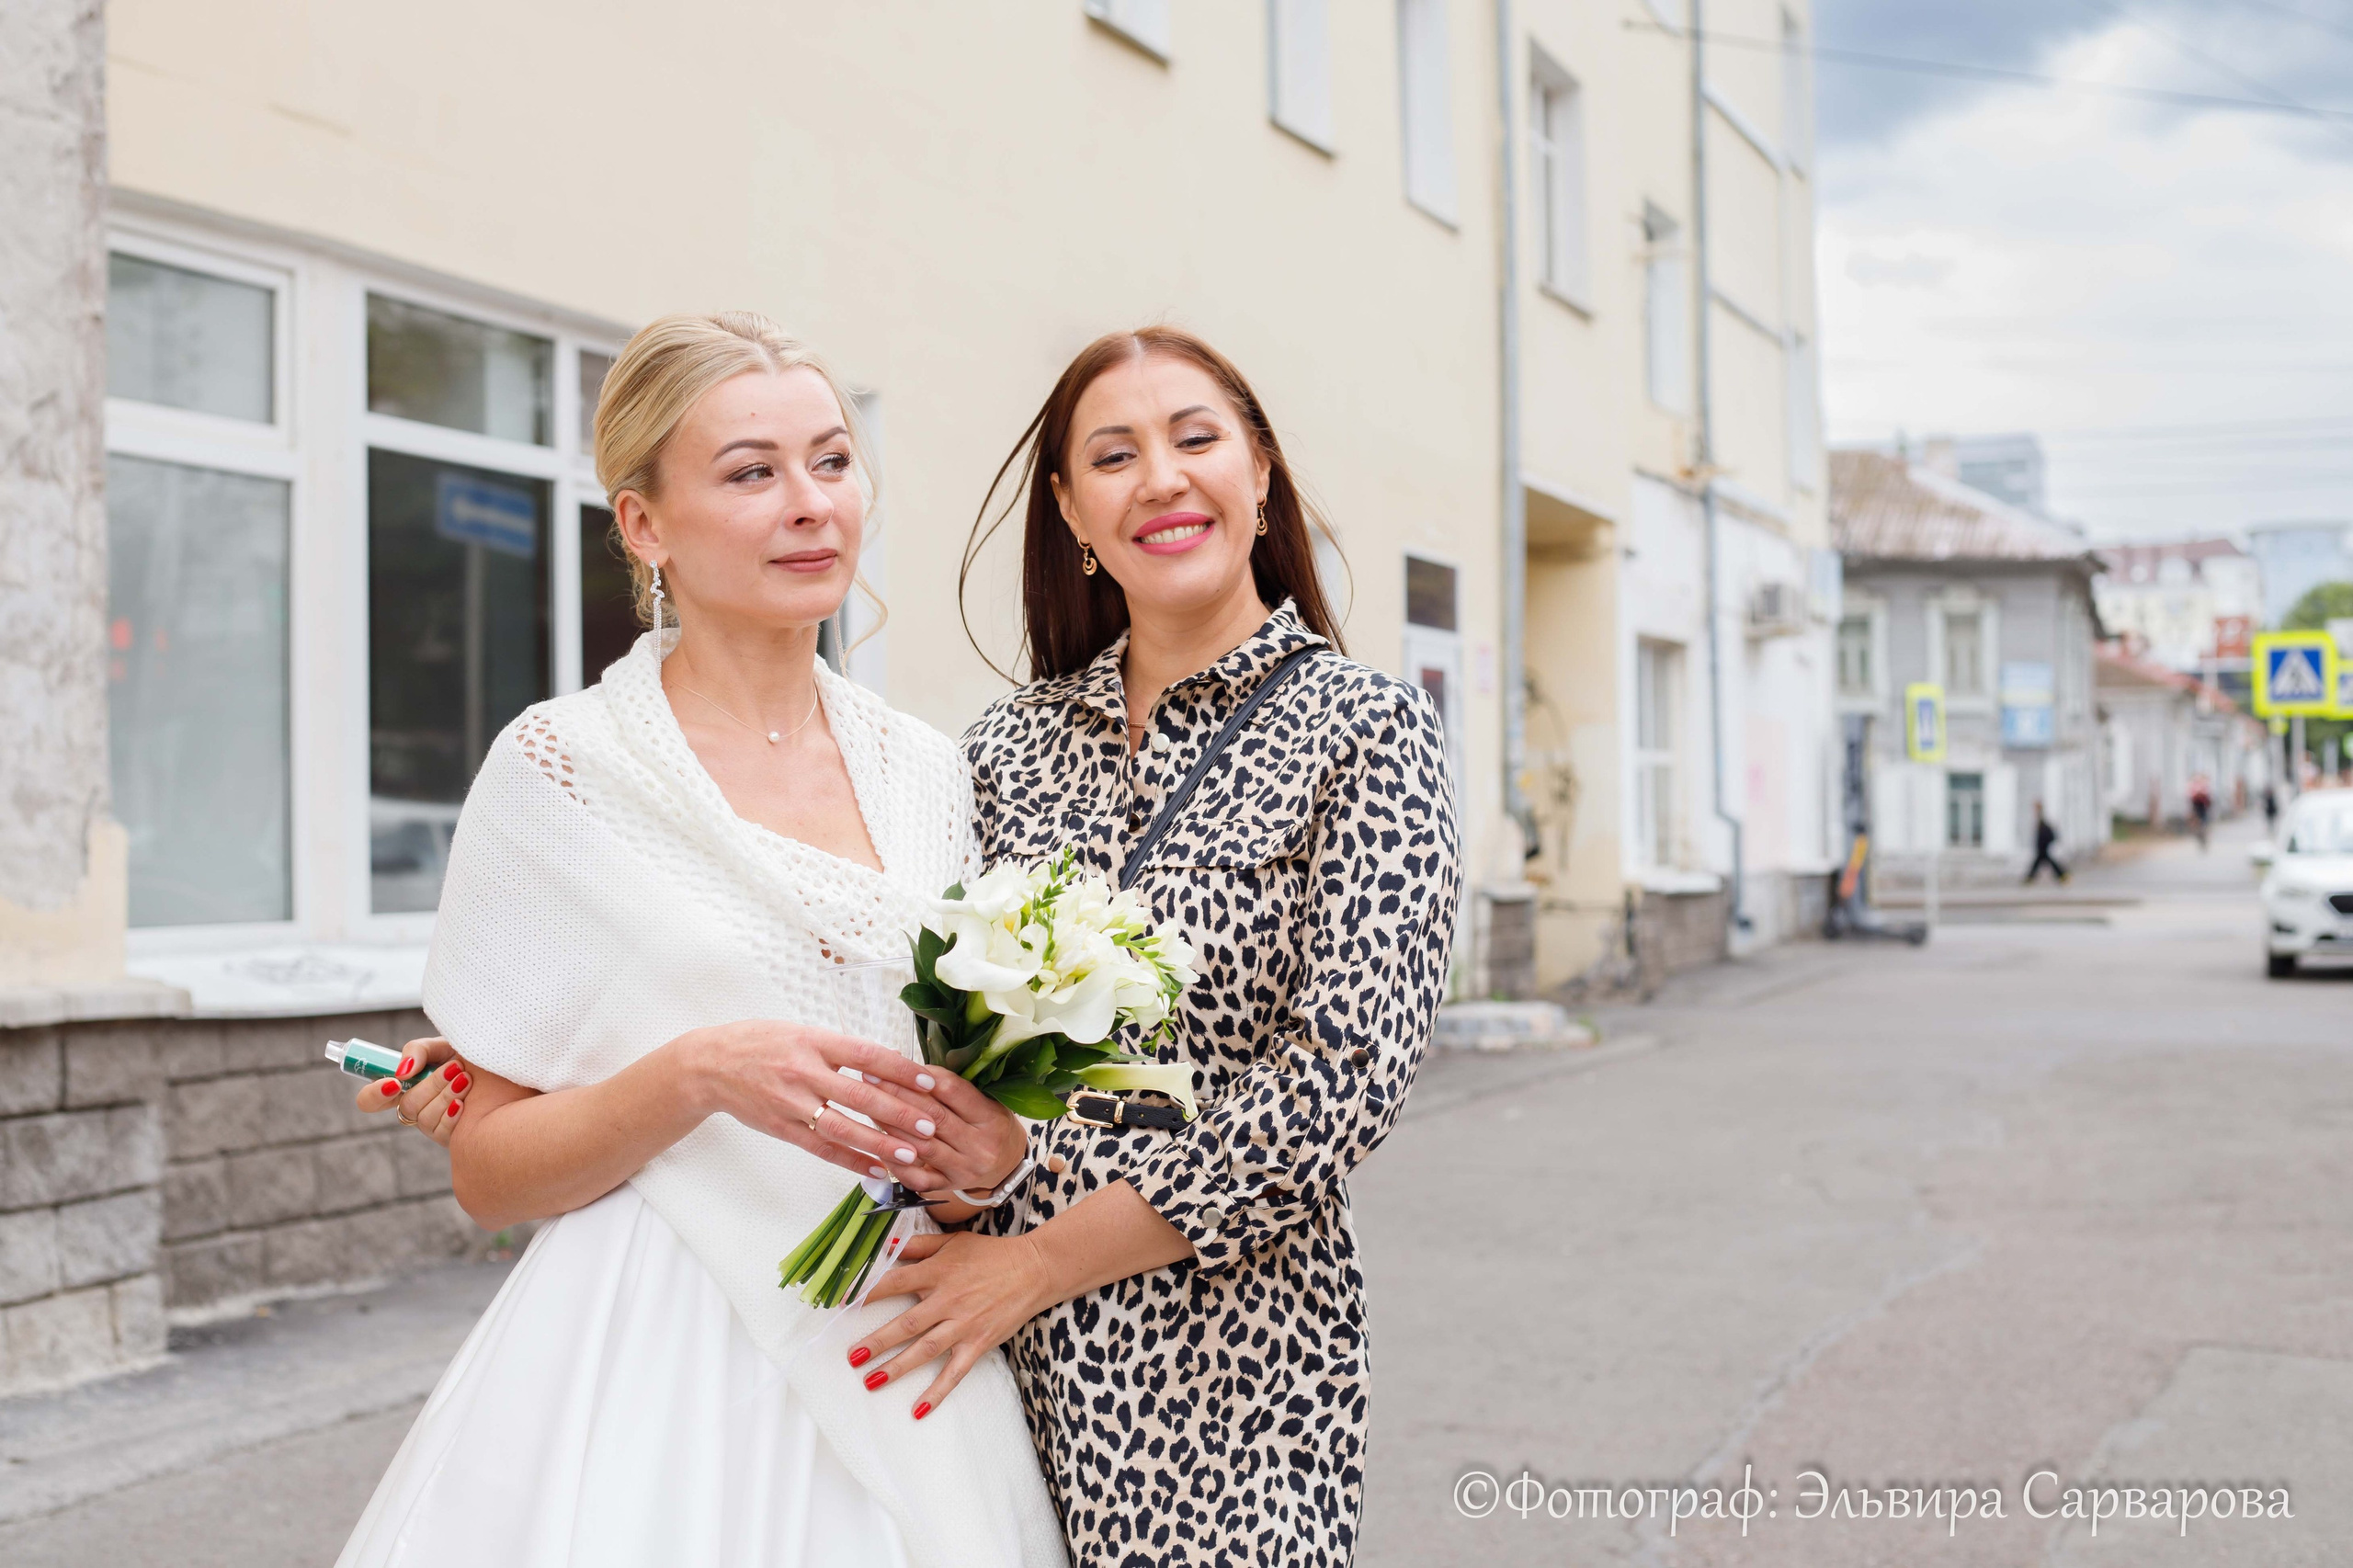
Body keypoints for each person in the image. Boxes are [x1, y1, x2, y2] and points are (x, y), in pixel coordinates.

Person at [336, 313, 1063, 1568]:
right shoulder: (562, 768)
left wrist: (989, 1159)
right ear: (643, 525)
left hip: (896, 1346)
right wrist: (694, 1075)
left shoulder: (935, 773)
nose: (809, 505)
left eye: (832, 462)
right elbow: (492, 1168)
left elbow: (963, 1115)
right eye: (750, 472)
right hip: (649, 1358)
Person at [840, 327, 1462, 1564]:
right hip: (982, 1349)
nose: (1161, 479)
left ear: (1261, 471)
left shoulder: (1366, 731)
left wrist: (1036, 1265)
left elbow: (1341, 1083)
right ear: (1073, 513)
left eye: (1195, 438)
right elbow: (918, 1014)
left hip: (1228, 1358)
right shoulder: (1005, 748)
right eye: (1113, 455)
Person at [2025, 799, 2068, 884]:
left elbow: (2045, 833)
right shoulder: (2040, 819)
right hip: (2042, 846)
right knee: (2043, 862)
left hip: (2043, 846)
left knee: (2043, 862)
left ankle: (2029, 878)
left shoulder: (2042, 819)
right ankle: (2063, 876)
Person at [2188, 775, 2213, 850]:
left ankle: (2202, 833)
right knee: (2199, 822)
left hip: (2202, 807)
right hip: (2198, 807)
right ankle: (2200, 832)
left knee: (2203, 822)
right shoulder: (2197, 787)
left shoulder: (2202, 787)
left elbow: (2207, 799)